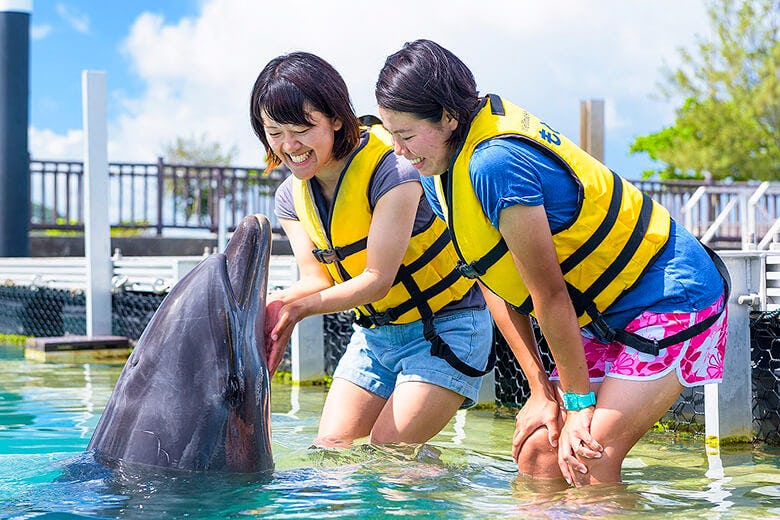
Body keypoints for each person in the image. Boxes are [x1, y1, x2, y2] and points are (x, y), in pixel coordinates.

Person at [375, 39, 729, 486]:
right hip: (602, 314)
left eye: (405, 135)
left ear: (449, 117)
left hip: (671, 297)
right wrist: (541, 391)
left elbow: (549, 293)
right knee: (540, 450)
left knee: (587, 460)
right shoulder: (436, 172)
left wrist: (579, 406)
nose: (397, 151)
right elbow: (493, 277)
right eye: (392, 134)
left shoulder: (495, 164)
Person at [249, 52, 494, 448]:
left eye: (301, 128)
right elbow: (316, 279)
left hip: (445, 328)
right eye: (274, 131)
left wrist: (298, 311)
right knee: (331, 453)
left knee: (387, 453)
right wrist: (273, 305)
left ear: (335, 118)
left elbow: (377, 281)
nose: (288, 145)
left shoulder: (392, 170)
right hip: (374, 338)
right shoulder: (289, 198)